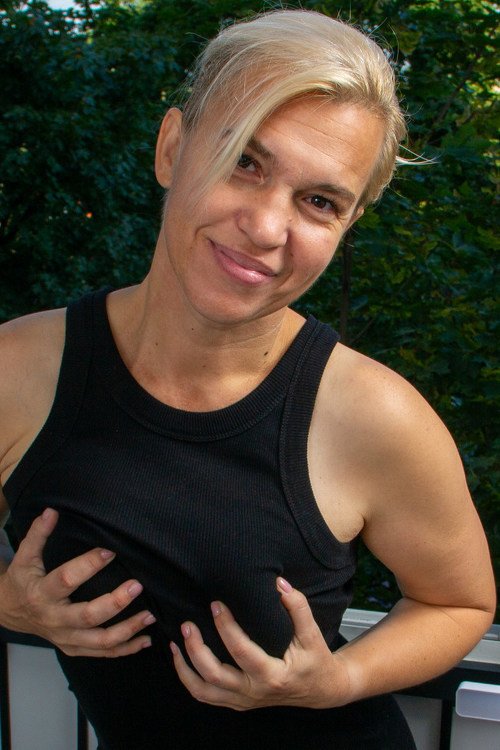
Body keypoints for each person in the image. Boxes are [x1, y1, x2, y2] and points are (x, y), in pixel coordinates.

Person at [0, 9, 495, 749]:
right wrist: (8, 604)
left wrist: (340, 679)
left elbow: (458, 603)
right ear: (172, 149)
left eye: (319, 201)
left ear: (348, 224)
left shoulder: (375, 416)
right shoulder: (17, 370)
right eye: (244, 161)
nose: (265, 227)